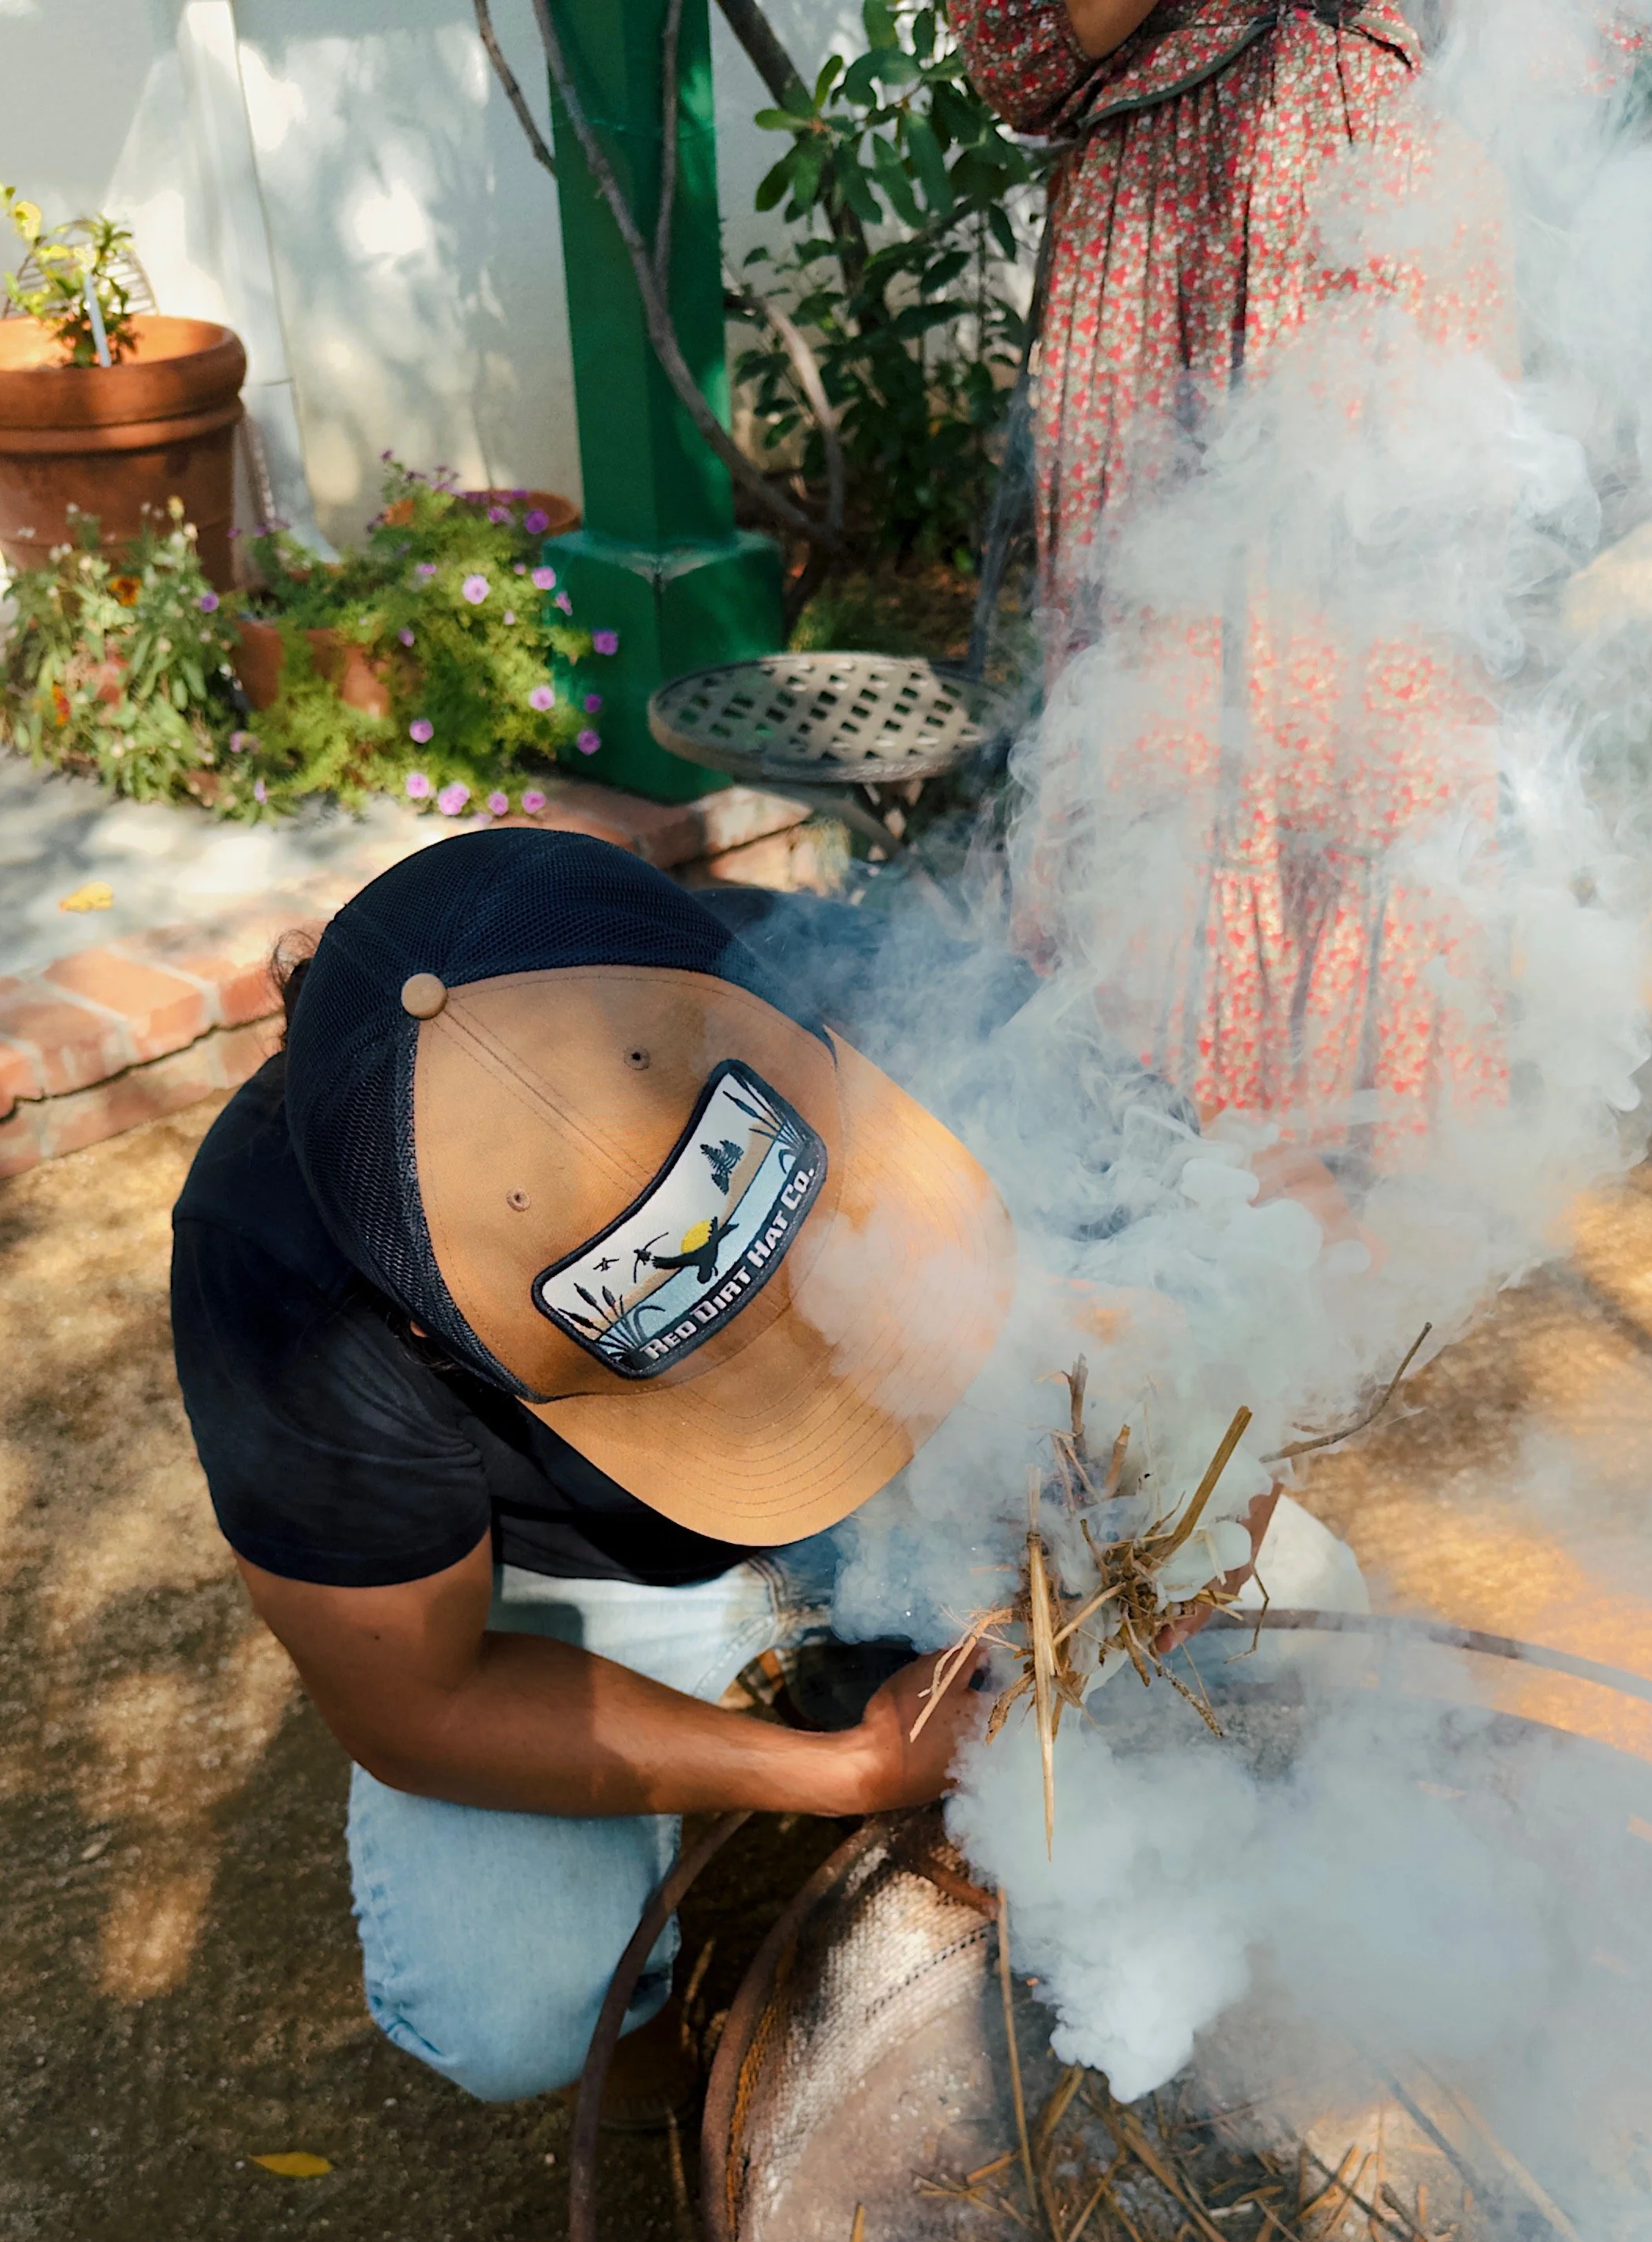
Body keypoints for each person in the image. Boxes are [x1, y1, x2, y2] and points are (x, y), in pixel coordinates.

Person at [169, 832, 1017, 2108]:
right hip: (576, 1587)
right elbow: (421, 1704)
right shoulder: (286, 1285)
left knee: (1262, 1600)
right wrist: (847, 1773)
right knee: (515, 2003)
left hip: (927, 1416)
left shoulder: (744, 968)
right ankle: (671, 2085)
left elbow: (1191, 1222)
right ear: (424, 1327)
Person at [951, 0, 1509, 1163]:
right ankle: (1199, 1134)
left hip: (1389, 205)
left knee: (1383, 677)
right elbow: (1025, 61)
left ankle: (1377, 1117)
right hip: (1182, 225)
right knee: (1180, 681)